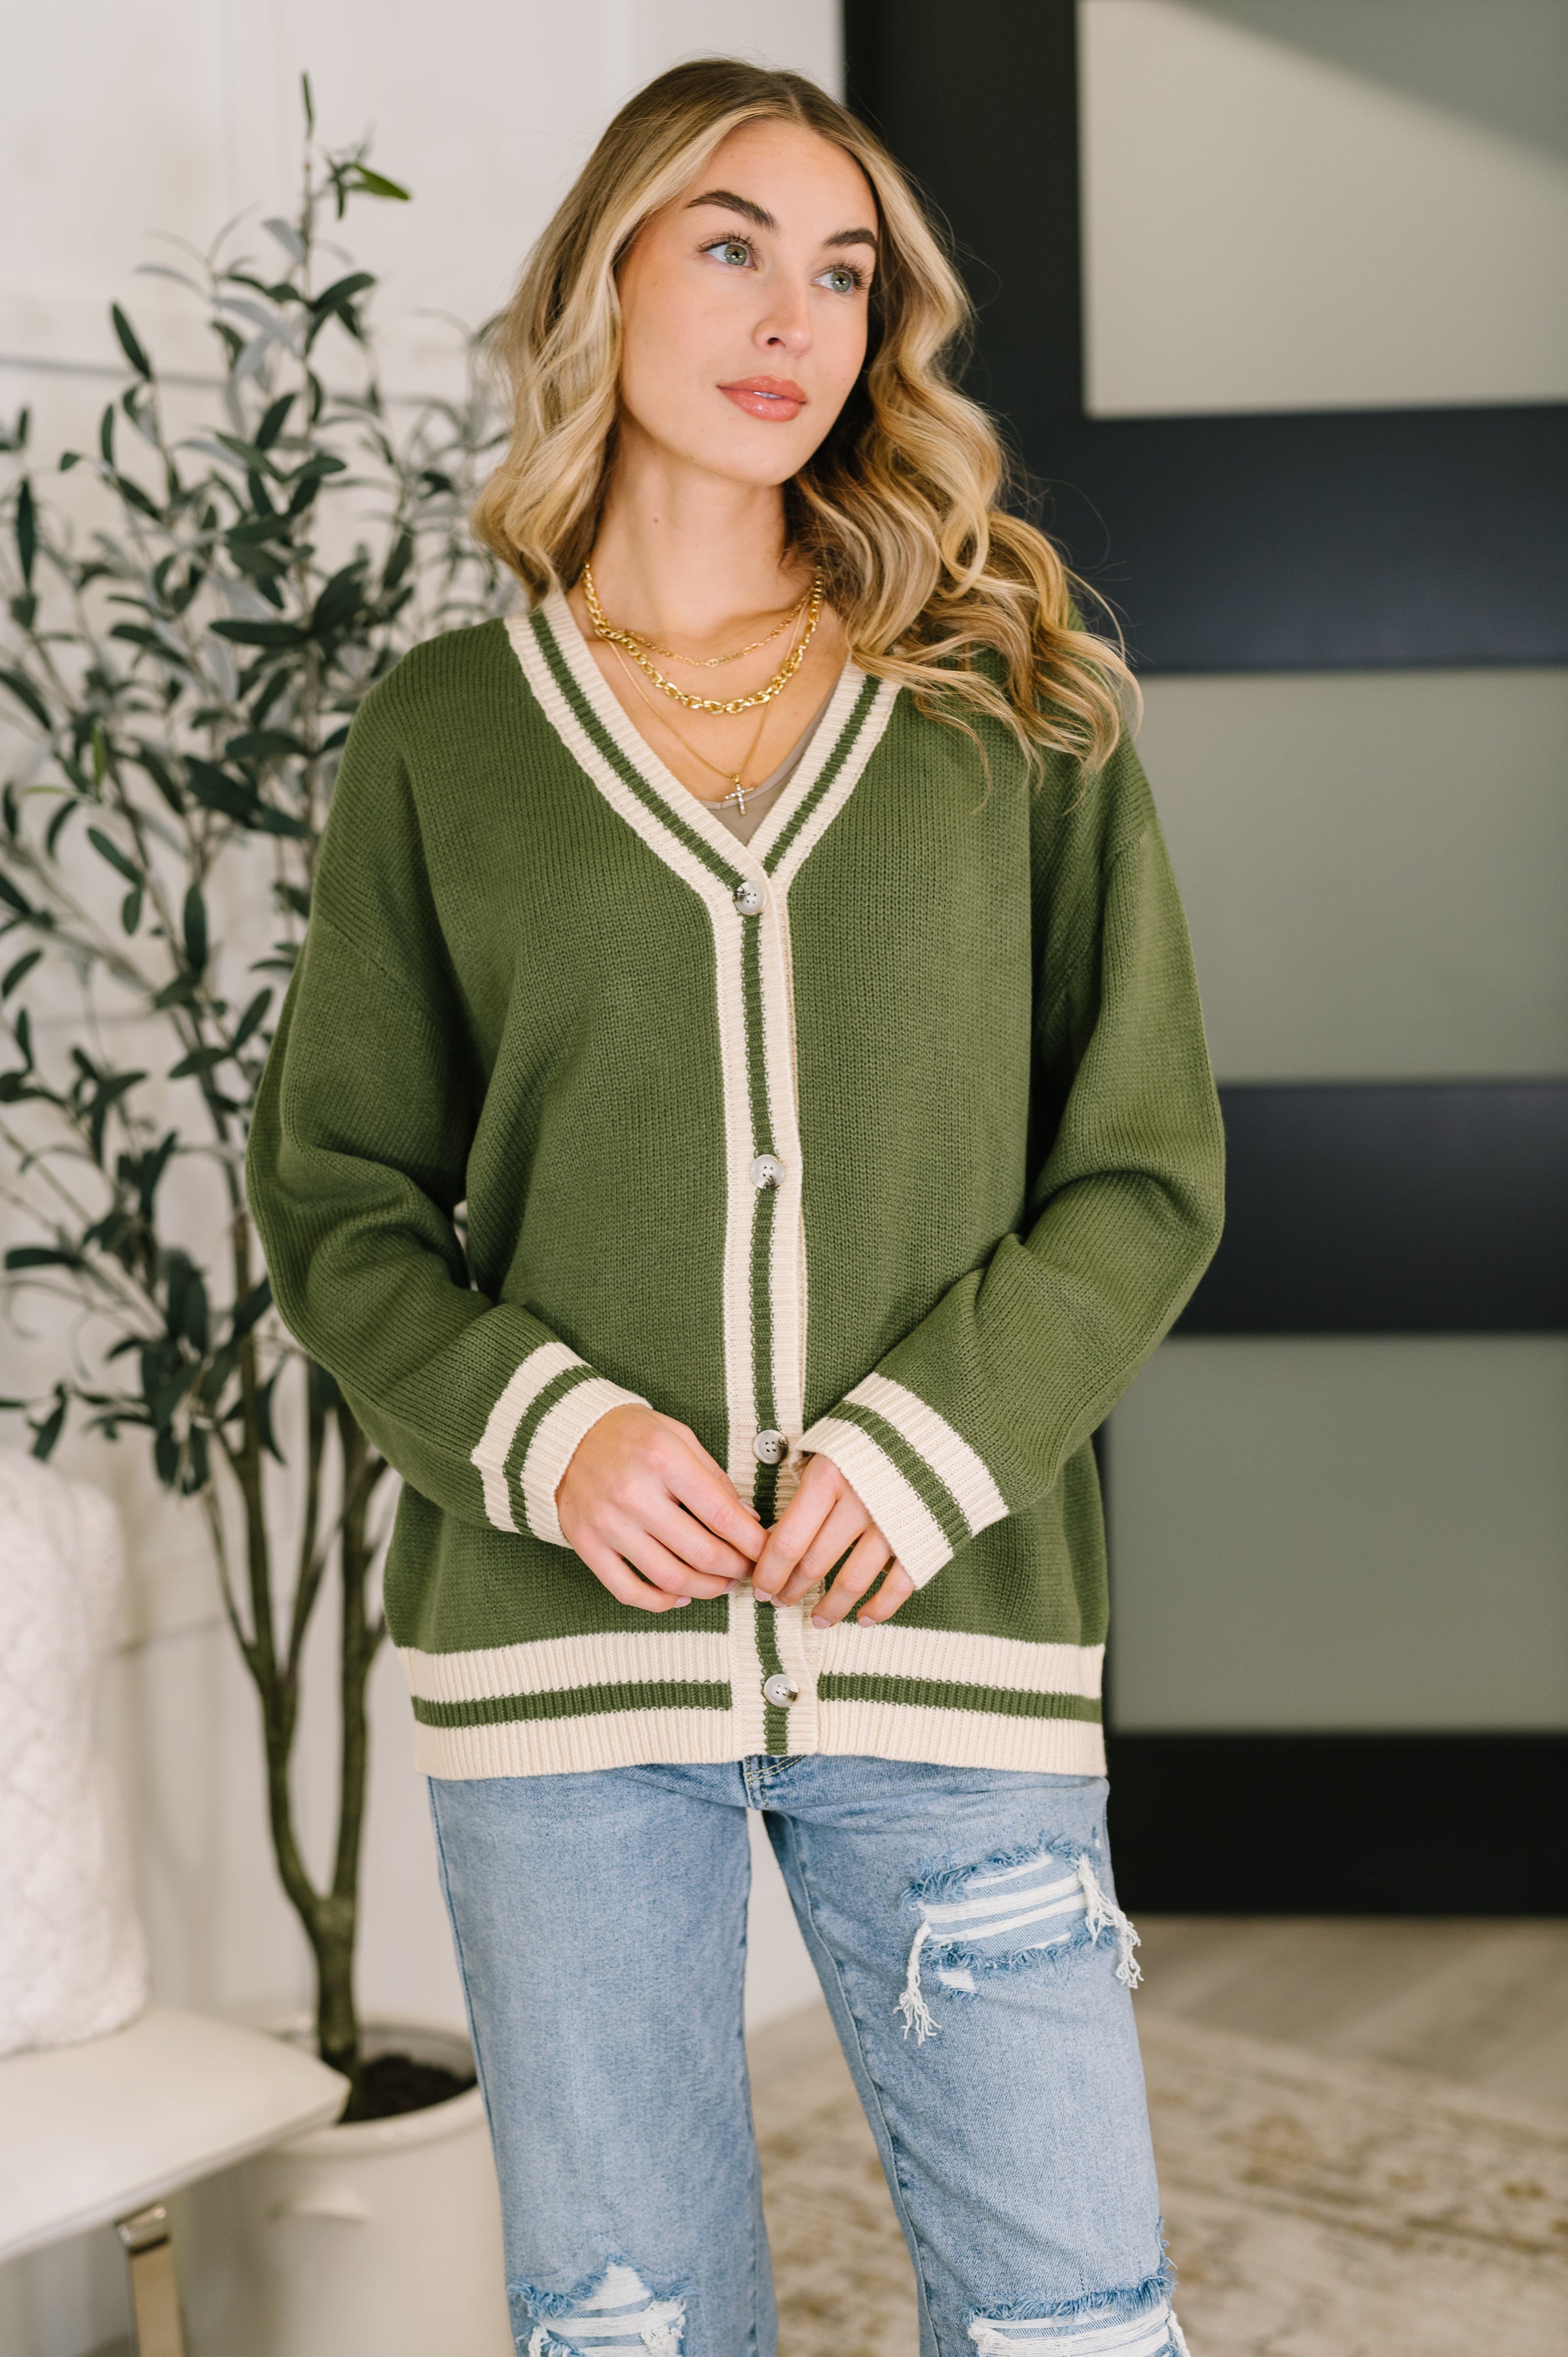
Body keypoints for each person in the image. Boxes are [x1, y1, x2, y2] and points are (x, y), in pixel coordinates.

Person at [247, 54, 1223, 2357]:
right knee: (632, 2327)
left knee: (1074, 2317)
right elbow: (339, 1195)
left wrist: (928, 1442)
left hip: (944, 1627)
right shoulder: (446, 738)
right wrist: (552, 1431)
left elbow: (1141, 1165)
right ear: (604, 280)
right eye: (730, 247)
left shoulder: (1009, 707)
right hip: (561, 1668)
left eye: (845, 273)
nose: (797, 316)